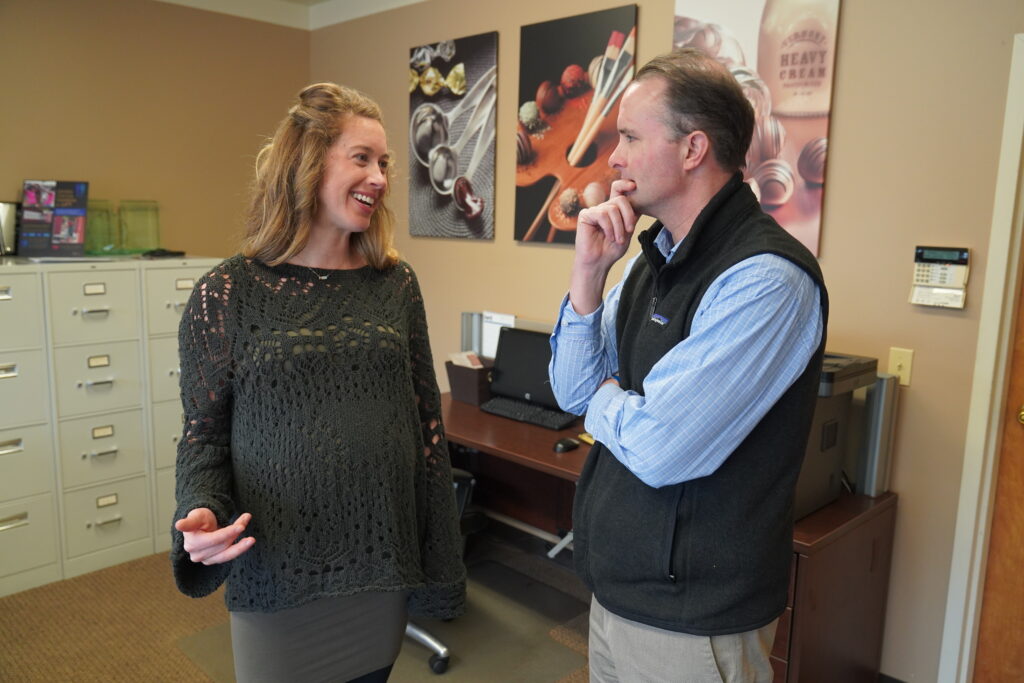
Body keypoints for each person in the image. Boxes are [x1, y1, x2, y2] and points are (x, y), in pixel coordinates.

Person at [549, 48, 828, 682]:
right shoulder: (652, 261)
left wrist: (611, 399)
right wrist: (589, 273)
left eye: (628, 137)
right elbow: (570, 390)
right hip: (620, 589)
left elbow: (659, 448)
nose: (613, 157)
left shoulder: (765, 279)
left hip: (694, 621)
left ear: (693, 149)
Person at [171, 83, 466, 683]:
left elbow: (426, 433)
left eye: (383, 162)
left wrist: (440, 562)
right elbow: (203, 438)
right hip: (280, 576)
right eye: (361, 158)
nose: (380, 178)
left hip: (379, 563)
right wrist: (200, 509)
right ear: (306, 163)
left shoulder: (395, 285)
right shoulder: (227, 293)